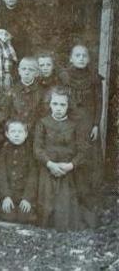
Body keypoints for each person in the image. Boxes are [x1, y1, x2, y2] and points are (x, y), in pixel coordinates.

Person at [33, 87, 93, 230]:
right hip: (48, 167)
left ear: (68, 106)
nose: (58, 108)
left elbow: (83, 151)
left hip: (68, 170)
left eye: (62, 105)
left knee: (66, 212)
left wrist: (70, 165)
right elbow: (37, 149)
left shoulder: (75, 125)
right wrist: (50, 164)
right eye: (55, 104)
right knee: (46, 202)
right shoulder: (42, 122)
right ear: (49, 104)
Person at [58, 44, 103, 213]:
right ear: (71, 58)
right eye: (77, 55)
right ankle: (69, 199)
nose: (81, 58)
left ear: (89, 59)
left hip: (88, 124)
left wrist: (96, 125)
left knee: (88, 160)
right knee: (69, 154)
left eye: (84, 55)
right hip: (70, 122)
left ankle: (88, 200)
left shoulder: (94, 78)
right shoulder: (64, 77)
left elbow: (99, 103)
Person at [0, 120, 37, 224]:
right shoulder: (4, 150)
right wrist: (6, 196)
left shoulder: (30, 151)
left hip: (23, 194)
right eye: (13, 132)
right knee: (8, 216)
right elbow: (1, 175)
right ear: (7, 134)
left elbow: (33, 176)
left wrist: (27, 198)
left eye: (20, 132)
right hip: (9, 194)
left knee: (25, 217)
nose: (17, 135)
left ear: (26, 134)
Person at [8, 57, 45, 129]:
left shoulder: (41, 92)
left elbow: (43, 114)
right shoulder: (13, 90)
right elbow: (8, 113)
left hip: (34, 129)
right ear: (19, 71)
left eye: (31, 70)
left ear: (37, 73)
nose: (27, 72)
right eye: (23, 69)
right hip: (16, 129)